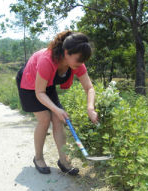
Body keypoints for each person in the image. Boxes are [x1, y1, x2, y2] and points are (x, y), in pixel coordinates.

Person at [16, 31, 98, 175]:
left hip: (47, 86)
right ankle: (38, 158)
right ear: (66, 53)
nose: (81, 64)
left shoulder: (77, 63)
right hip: (29, 84)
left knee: (58, 120)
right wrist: (56, 109)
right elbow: (39, 92)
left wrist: (90, 108)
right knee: (45, 119)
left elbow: (89, 87)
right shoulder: (47, 60)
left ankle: (63, 160)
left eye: (83, 60)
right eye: (79, 59)